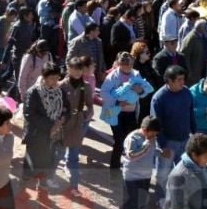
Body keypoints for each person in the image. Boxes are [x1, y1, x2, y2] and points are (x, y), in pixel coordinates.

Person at [151, 65, 196, 207]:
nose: (183, 82)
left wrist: (194, 134)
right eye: (179, 80)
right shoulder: (159, 98)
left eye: (183, 79)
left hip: (184, 140)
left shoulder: (187, 93)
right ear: (169, 81)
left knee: (184, 173)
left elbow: (191, 114)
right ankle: (160, 199)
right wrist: (163, 145)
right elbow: (156, 125)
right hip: (168, 143)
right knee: (163, 175)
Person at [101, 52, 154, 169]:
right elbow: (103, 93)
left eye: (129, 64)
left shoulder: (136, 74)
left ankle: (128, 163)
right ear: (119, 63)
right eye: (124, 63)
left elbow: (144, 92)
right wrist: (117, 102)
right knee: (119, 140)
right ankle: (114, 167)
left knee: (129, 138)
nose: (127, 66)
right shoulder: (113, 76)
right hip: (115, 113)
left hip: (130, 113)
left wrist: (140, 91)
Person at [22, 62, 68, 190]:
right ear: (44, 76)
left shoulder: (60, 91)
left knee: (47, 159)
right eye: (51, 78)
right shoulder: (34, 92)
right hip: (37, 132)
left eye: (57, 78)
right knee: (32, 157)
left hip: (53, 133)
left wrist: (64, 118)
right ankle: (26, 178)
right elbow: (29, 114)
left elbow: (67, 108)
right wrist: (50, 125)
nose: (54, 81)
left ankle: (42, 183)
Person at [118, 115, 162, 209]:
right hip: (132, 177)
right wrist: (146, 144)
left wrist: (160, 152)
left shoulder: (151, 139)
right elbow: (131, 155)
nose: (154, 136)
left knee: (139, 202)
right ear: (145, 129)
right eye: (153, 133)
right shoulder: (133, 138)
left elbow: (153, 150)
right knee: (132, 202)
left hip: (145, 176)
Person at [57, 57, 94, 196]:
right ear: (68, 68)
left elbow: (90, 104)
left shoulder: (86, 86)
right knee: (57, 153)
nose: (77, 72)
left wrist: (88, 114)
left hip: (78, 123)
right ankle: (46, 180)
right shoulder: (61, 86)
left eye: (80, 69)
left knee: (74, 156)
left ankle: (74, 185)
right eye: (74, 69)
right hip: (62, 123)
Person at [180, 19, 207, 86]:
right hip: (193, 70)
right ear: (200, 28)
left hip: (201, 67)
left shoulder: (202, 35)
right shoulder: (191, 38)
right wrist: (189, 70)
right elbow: (184, 55)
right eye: (205, 27)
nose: (206, 28)